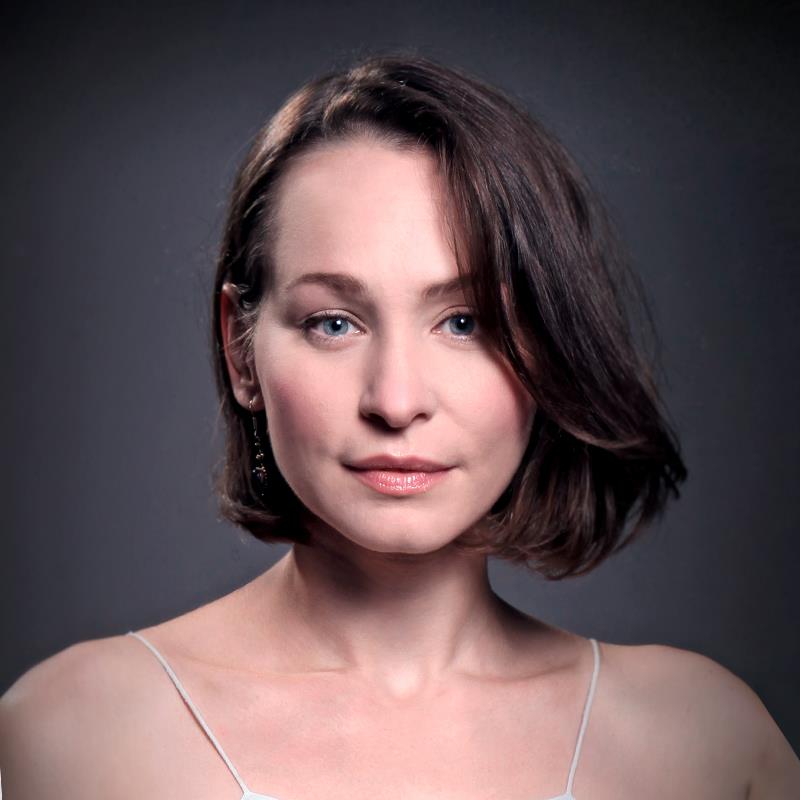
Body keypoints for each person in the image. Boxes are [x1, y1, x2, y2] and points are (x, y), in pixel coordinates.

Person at [1, 53, 797, 799]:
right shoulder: (71, 738)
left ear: (549, 348)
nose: (396, 398)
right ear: (240, 351)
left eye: (464, 322)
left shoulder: (702, 745)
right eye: (334, 323)